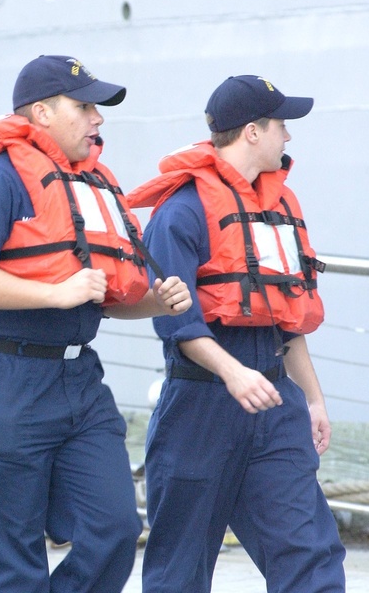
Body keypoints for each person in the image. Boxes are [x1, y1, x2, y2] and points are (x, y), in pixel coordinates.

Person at [0, 55, 192, 592]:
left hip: (77, 384)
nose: (98, 119)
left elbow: (100, 296)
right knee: (10, 562)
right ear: (42, 113)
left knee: (115, 528)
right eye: (85, 106)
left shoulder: (86, 187)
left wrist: (154, 304)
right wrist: (54, 292)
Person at [127, 75, 346, 592]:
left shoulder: (276, 209)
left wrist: (312, 400)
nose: (287, 137)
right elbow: (177, 325)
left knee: (310, 553)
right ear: (252, 131)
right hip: (200, 405)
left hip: (274, 402)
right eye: (281, 126)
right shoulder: (181, 211)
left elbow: (286, 317)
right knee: (180, 566)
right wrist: (233, 374)